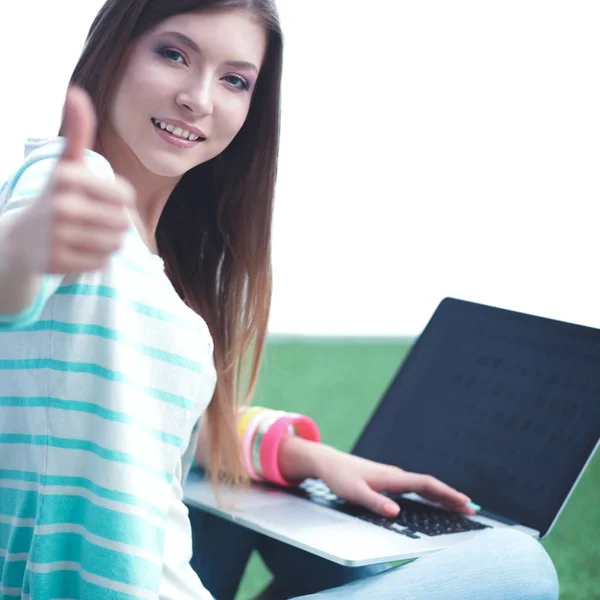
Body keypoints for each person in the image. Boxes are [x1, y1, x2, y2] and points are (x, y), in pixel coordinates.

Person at [0, 1, 559, 599]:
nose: (199, 99)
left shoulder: (157, 256)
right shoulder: (71, 184)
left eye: (234, 79)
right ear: (113, 50)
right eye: (173, 54)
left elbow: (139, 419)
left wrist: (300, 457)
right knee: (516, 564)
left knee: (283, 511)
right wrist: (32, 243)